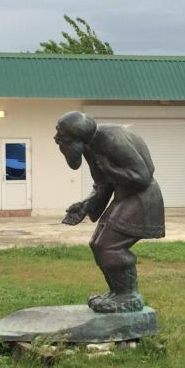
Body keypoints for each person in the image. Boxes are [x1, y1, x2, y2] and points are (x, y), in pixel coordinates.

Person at [54, 111, 165, 313]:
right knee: (97, 244)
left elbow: (143, 177)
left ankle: (129, 295)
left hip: (142, 198)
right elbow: (102, 184)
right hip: (126, 197)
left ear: (78, 138)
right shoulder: (90, 145)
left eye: (62, 136)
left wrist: (110, 170)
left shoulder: (112, 139)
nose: (57, 140)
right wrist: (85, 205)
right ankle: (117, 293)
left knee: (109, 247)